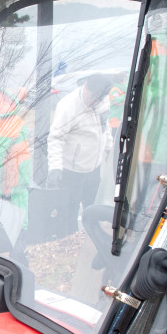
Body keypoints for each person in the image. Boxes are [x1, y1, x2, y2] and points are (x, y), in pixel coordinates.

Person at [46, 73, 115, 223]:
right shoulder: (68, 107)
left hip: (94, 166)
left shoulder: (103, 102)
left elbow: (105, 126)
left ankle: (90, 237)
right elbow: (56, 138)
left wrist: (110, 149)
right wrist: (55, 167)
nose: (90, 101)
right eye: (88, 97)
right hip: (72, 169)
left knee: (93, 206)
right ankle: (69, 238)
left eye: (94, 99)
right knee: (70, 209)